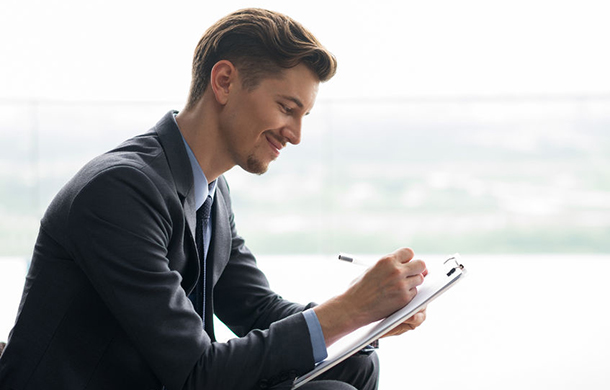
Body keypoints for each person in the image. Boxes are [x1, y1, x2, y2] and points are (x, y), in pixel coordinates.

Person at [0, 8, 427, 390]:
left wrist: (365, 317)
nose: (296, 135)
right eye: (286, 108)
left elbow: (258, 309)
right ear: (224, 82)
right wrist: (347, 311)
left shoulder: (210, 191)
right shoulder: (119, 191)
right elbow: (195, 373)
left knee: (356, 365)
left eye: (303, 117)